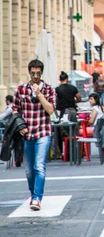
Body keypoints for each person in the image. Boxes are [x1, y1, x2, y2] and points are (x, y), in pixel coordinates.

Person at [12, 59, 56, 211]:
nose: (35, 76)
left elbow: (50, 110)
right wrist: (20, 126)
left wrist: (39, 94)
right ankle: (33, 194)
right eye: (33, 73)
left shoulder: (49, 89)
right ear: (29, 73)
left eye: (38, 73)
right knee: (29, 169)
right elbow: (15, 109)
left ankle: (37, 198)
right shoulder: (21, 89)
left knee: (39, 166)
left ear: (41, 73)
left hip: (43, 132)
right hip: (27, 133)